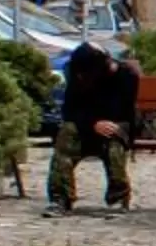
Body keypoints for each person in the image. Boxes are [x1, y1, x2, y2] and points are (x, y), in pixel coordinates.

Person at [47, 36, 140, 213]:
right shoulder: (77, 74)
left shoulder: (126, 76)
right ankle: (60, 197)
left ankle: (118, 196)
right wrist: (92, 123)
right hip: (87, 125)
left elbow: (122, 111)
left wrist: (101, 122)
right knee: (66, 135)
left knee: (114, 140)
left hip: (117, 124)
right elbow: (70, 110)